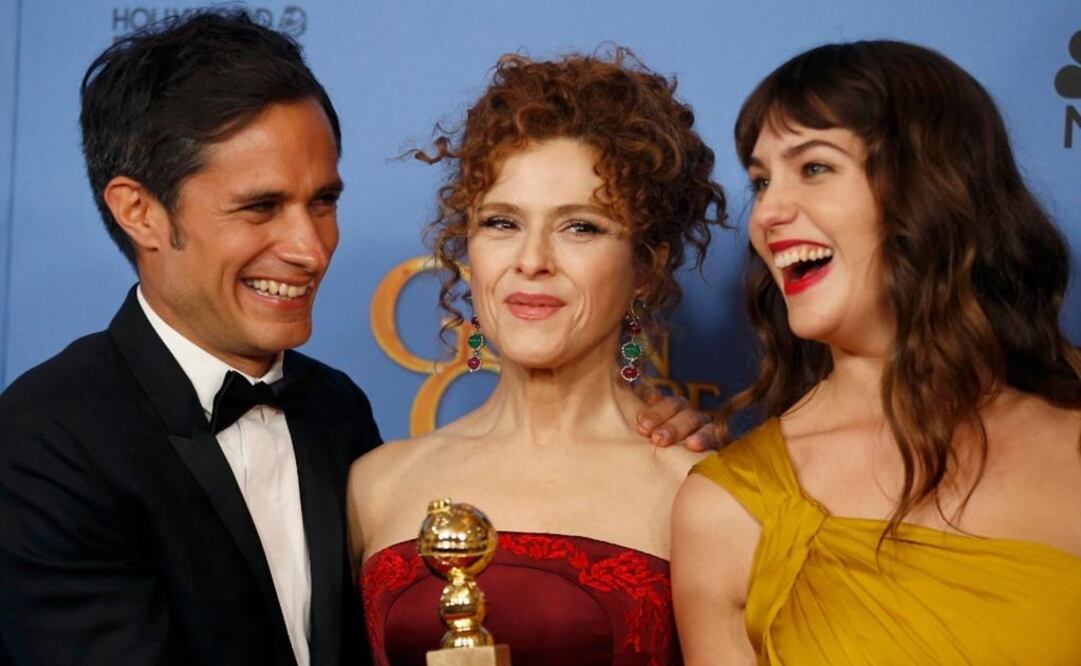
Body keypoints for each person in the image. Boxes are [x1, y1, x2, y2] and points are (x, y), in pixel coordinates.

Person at [0, 11, 712, 666]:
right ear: (140, 212)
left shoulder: (334, 418)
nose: (310, 250)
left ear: (645, 261)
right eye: (261, 206)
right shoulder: (48, 440)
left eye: (324, 202)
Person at [671, 40, 1081, 664]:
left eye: (813, 168)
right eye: (761, 180)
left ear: (933, 184)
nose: (768, 214)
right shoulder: (729, 505)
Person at [348, 50, 727, 665]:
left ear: (644, 265)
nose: (532, 260)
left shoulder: (696, 491)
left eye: (580, 227)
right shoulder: (375, 485)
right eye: (501, 222)